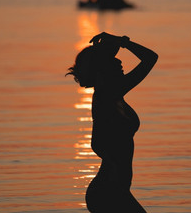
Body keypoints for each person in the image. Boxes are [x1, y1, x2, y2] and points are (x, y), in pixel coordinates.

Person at [66, 32, 158, 213]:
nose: (120, 63)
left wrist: (118, 43)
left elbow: (151, 58)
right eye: (114, 61)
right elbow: (150, 58)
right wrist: (123, 42)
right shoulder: (108, 93)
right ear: (103, 70)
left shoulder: (113, 93)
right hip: (108, 192)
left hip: (115, 190)